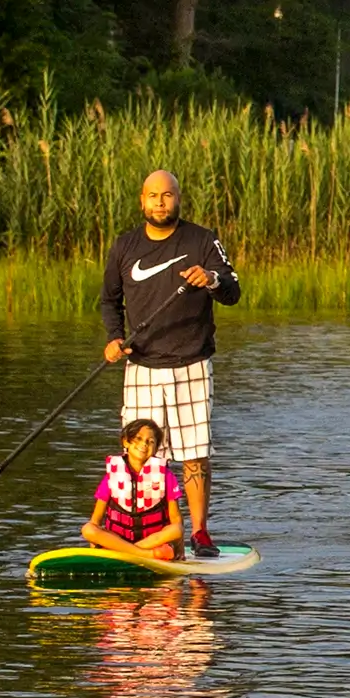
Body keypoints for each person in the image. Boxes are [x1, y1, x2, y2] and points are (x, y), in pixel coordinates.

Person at [99, 169, 242, 557]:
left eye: (167, 195)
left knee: (194, 453)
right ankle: (158, 534)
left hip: (192, 363)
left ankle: (199, 533)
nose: (160, 202)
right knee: (145, 456)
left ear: (178, 198)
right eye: (153, 196)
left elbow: (232, 291)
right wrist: (114, 338)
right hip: (142, 365)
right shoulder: (125, 246)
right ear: (142, 201)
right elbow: (109, 301)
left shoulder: (202, 239)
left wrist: (211, 278)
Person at [82, 418, 185, 561]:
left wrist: (180, 550)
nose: (144, 444)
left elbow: (175, 518)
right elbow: (95, 520)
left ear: (156, 449)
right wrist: (94, 549)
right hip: (120, 540)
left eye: (151, 441)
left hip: (150, 542)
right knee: (88, 529)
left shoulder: (166, 476)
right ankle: (142, 555)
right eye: (138, 438)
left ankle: (124, 553)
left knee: (177, 529)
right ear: (126, 442)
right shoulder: (112, 476)